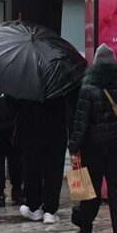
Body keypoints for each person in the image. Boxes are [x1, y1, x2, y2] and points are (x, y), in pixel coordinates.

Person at [69, 44, 117, 233]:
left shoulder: (88, 89)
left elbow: (81, 122)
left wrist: (74, 146)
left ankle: (86, 230)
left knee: (90, 189)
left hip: (93, 147)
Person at [17, 92, 72, 225]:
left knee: (32, 168)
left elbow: (12, 103)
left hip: (31, 128)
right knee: (53, 170)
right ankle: (50, 211)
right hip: (56, 129)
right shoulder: (60, 79)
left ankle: (34, 206)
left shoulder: (25, 77)